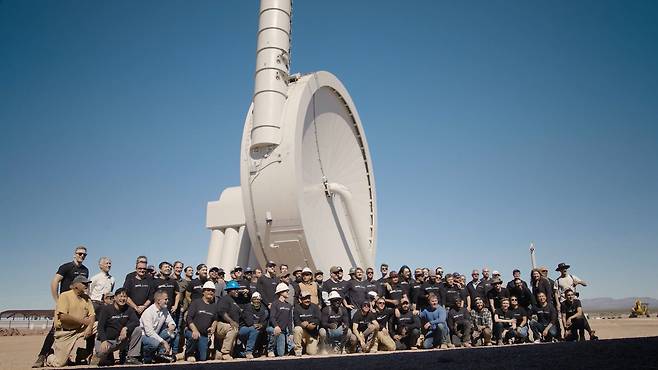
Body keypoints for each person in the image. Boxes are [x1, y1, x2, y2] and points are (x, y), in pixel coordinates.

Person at [33, 246, 90, 368]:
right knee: (55, 329)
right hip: (65, 303)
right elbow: (55, 281)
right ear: (74, 254)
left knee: (78, 328)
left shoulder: (85, 270)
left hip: (78, 305)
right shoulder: (66, 267)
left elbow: (85, 287)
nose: (82, 256)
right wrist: (57, 300)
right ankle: (42, 355)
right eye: (80, 254)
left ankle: (76, 355)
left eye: (84, 255)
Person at [45, 275, 95, 367]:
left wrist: (90, 327)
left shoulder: (87, 298)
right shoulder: (65, 296)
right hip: (65, 332)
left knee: (99, 325)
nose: (86, 285)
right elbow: (63, 316)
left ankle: (84, 353)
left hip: (80, 329)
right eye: (84, 283)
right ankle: (49, 355)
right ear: (76, 285)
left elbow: (92, 315)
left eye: (87, 283)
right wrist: (82, 321)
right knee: (60, 363)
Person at [95, 288, 142, 366]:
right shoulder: (106, 309)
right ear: (115, 298)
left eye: (125, 297)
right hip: (107, 341)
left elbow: (136, 321)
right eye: (120, 296)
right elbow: (100, 327)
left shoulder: (128, 309)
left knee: (138, 330)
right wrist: (103, 341)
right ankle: (107, 356)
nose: (122, 299)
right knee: (101, 354)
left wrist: (126, 328)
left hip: (120, 340)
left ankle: (131, 357)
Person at [554, 263, 597, 340]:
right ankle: (567, 333)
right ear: (559, 270)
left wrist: (578, 282)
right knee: (565, 318)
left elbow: (585, 284)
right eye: (562, 268)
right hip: (564, 302)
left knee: (580, 317)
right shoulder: (557, 281)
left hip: (574, 300)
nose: (564, 269)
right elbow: (556, 292)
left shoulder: (572, 277)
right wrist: (557, 303)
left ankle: (587, 333)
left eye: (565, 268)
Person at [140, 290, 178, 364]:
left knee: (174, 332)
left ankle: (161, 355)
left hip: (156, 335)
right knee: (154, 343)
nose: (168, 301)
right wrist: (163, 342)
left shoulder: (164, 310)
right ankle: (146, 357)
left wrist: (171, 326)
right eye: (165, 299)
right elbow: (149, 333)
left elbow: (171, 321)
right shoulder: (148, 312)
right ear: (158, 300)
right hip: (145, 336)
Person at [184, 281, 217, 362]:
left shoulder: (214, 306)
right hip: (191, 331)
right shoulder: (196, 302)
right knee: (194, 337)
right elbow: (189, 318)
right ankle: (189, 354)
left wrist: (213, 327)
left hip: (204, 335)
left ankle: (197, 352)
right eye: (208, 290)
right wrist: (194, 330)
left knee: (203, 358)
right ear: (203, 291)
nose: (210, 292)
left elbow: (215, 319)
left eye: (212, 290)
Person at [214, 280, 241, 360]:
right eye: (235, 289)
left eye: (237, 289)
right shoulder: (225, 299)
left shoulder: (235, 301)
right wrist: (231, 321)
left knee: (231, 351)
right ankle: (225, 352)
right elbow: (221, 312)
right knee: (233, 329)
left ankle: (219, 354)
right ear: (229, 290)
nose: (237, 291)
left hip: (229, 326)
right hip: (221, 325)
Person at [238, 292, 269, 359]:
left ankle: (257, 350)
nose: (256, 301)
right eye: (254, 299)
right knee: (254, 329)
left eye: (258, 299)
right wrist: (258, 324)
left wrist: (261, 325)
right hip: (243, 330)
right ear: (251, 300)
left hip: (255, 329)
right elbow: (249, 322)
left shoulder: (263, 310)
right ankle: (249, 352)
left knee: (261, 330)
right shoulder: (247, 307)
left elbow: (265, 322)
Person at [268, 282, 294, 357]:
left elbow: (289, 320)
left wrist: (291, 333)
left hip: (282, 331)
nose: (288, 292)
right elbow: (272, 317)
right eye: (286, 291)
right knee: (273, 331)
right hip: (273, 328)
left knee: (281, 353)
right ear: (281, 292)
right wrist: (276, 326)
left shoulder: (289, 305)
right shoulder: (275, 304)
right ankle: (270, 350)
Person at [292, 291, 322, 356]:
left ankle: (309, 346)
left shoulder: (314, 306)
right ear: (300, 300)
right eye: (305, 298)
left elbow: (319, 319)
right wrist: (302, 325)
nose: (307, 300)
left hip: (312, 332)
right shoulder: (297, 308)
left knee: (312, 353)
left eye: (308, 298)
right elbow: (296, 321)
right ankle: (298, 350)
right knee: (297, 329)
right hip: (302, 330)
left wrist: (310, 323)